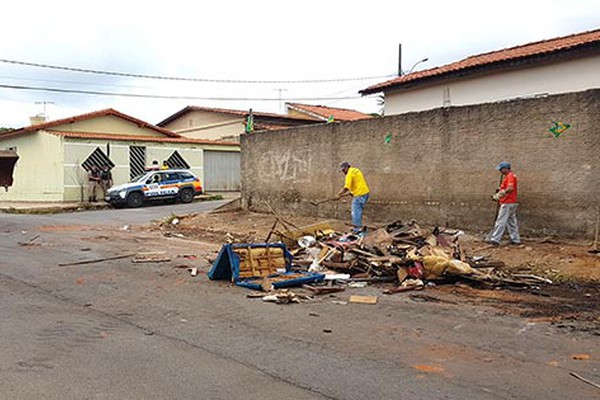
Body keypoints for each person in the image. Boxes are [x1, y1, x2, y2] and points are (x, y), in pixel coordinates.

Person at [486, 161, 520, 246]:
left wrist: (499, 195)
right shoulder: (509, 176)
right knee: (512, 221)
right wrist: (500, 189)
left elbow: (510, 188)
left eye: (501, 169)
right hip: (512, 202)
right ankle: (515, 239)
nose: (500, 171)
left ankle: (495, 239)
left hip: (507, 202)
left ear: (505, 169)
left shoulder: (510, 176)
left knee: (501, 221)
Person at [336, 162, 370, 232]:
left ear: (346, 168)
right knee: (358, 211)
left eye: (343, 170)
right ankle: (358, 227)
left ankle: (357, 229)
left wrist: (339, 195)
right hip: (365, 193)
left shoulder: (349, 174)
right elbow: (358, 183)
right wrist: (352, 192)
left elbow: (346, 187)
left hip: (359, 195)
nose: (343, 172)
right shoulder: (356, 170)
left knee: (355, 212)